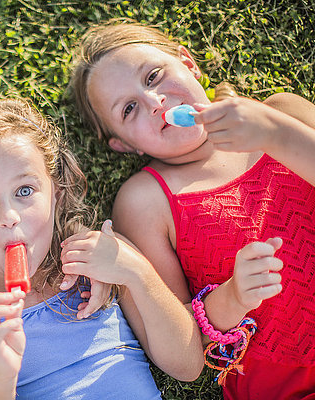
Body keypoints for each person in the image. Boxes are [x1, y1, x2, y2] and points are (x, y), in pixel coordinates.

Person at [0, 98, 203, 399]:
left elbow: (187, 367)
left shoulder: (105, 259)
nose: (8, 216)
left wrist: (136, 272)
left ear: (55, 194)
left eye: (24, 190)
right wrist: (2, 376)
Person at [70, 20, 315, 400]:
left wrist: (274, 133)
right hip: (286, 385)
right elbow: (184, 346)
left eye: (154, 76)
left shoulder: (281, 113)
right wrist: (233, 296)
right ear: (123, 145)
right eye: (130, 109)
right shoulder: (145, 201)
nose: (156, 104)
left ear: (188, 63)